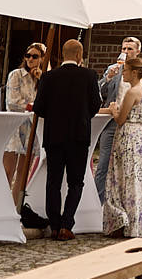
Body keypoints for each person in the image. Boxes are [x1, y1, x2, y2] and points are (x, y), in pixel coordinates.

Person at [35, 39, 99, 241]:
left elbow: (39, 108)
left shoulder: (48, 77)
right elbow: (95, 105)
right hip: (79, 136)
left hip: (54, 135)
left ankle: (54, 225)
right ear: (79, 55)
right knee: (76, 182)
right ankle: (67, 224)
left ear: (63, 55)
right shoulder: (89, 75)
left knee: (53, 182)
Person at [98, 53, 142, 238]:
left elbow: (121, 119)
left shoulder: (132, 91)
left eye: (127, 70)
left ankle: (123, 220)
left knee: (124, 176)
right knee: (137, 177)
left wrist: (114, 110)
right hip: (141, 136)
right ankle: (136, 221)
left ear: (135, 72)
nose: (123, 73)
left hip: (128, 135)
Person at [93, 35, 142, 198]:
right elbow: (99, 92)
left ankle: (122, 200)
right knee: (103, 164)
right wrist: (108, 78)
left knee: (126, 165)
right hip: (111, 122)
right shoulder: (113, 69)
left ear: (138, 51)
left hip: (131, 123)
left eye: (130, 49)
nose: (126, 52)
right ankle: (98, 201)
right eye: (123, 48)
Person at [2, 42, 47, 193]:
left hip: (31, 128)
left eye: (35, 56)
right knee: (8, 171)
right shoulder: (16, 75)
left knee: (23, 173)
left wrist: (42, 79)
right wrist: (33, 107)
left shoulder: (42, 79)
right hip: (15, 127)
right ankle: (1, 201)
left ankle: (16, 204)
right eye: (28, 56)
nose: (30, 59)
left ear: (42, 59)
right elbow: (12, 101)